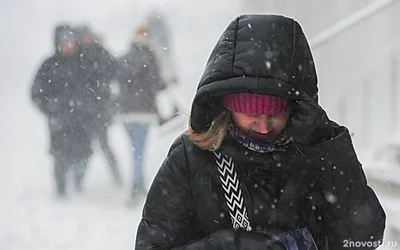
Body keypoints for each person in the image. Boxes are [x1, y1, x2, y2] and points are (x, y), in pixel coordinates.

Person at [135, 14, 386, 250]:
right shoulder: (191, 159)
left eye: (276, 114)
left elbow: (364, 239)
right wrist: (227, 245)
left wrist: (327, 149)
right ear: (227, 105)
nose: (264, 126)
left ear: (296, 106)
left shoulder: (318, 152)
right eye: (251, 114)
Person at [31, 25, 92, 197]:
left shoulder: (83, 63)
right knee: (60, 157)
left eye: (71, 40)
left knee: (84, 155)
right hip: (59, 122)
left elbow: (95, 88)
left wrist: (89, 106)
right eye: (64, 41)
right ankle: (61, 191)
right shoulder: (48, 65)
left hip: (82, 120)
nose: (68, 45)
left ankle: (78, 182)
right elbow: (36, 93)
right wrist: (51, 108)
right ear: (57, 43)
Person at [115, 25, 166, 202]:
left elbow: (116, 80)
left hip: (125, 112)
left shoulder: (123, 58)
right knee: (139, 150)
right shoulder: (150, 57)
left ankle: (139, 183)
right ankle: (136, 184)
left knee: (134, 150)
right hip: (144, 112)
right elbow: (157, 84)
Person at [75, 25, 122, 186]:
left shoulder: (100, 52)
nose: (85, 40)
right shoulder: (77, 56)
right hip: (82, 111)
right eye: (83, 37)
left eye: (87, 36)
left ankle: (117, 177)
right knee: (85, 148)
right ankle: (78, 181)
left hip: (100, 110)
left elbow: (116, 70)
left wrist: (105, 88)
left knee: (104, 145)